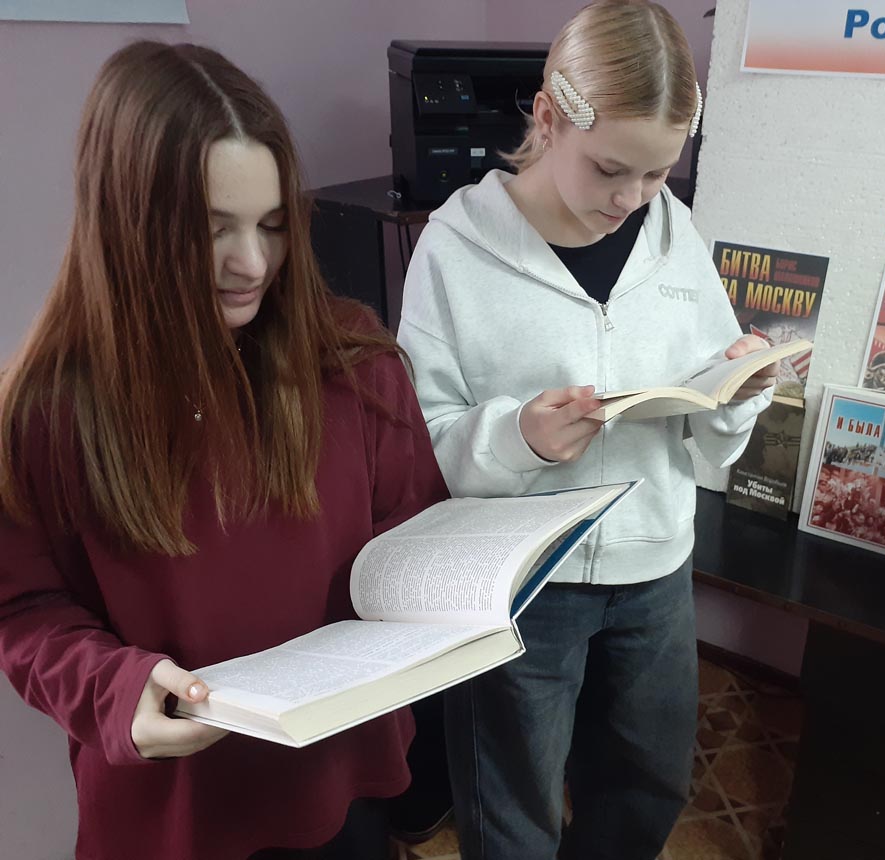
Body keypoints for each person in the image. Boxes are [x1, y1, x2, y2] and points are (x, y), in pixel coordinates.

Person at [0, 42, 449, 860]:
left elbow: (412, 531)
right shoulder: (49, 412)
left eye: (273, 226)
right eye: (211, 232)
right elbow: (26, 612)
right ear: (126, 227)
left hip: (336, 781)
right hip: (173, 812)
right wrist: (112, 687)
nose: (252, 264)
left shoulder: (356, 363)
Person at [395, 3, 778, 857]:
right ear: (547, 117)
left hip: (655, 570)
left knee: (647, 785)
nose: (630, 199)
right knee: (512, 804)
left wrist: (737, 391)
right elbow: (419, 448)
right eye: (609, 169)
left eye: (657, 174)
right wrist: (519, 439)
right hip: (522, 580)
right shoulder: (454, 248)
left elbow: (712, 445)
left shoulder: (675, 235)